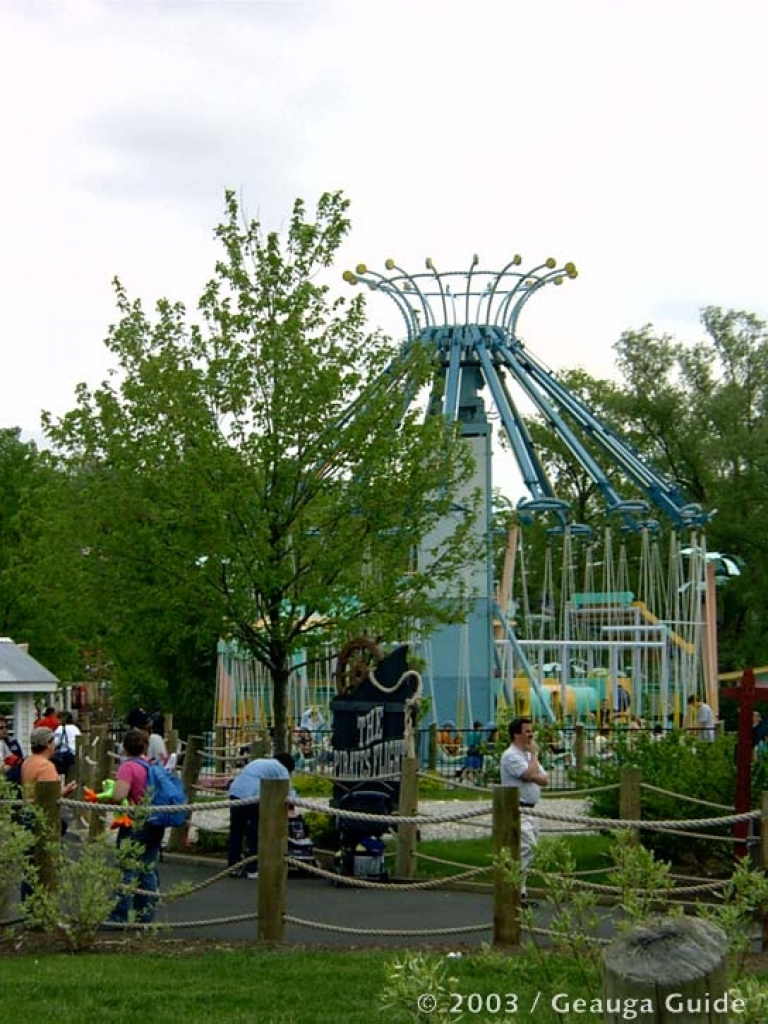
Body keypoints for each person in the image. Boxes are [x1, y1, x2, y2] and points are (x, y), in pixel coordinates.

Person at [108, 728, 165, 923]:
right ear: (145, 747)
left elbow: (119, 795)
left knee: (127, 868)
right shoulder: (153, 765)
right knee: (148, 868)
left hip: (135, 822)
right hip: (155, 821)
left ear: (124, 748)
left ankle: (119, 914)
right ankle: (145, 915)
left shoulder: (128, 767)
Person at [500, 717, 549, 906]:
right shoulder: (511, 756)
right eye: (527, 731)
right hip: (518, 809)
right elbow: (528, 775)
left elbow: (544, 779)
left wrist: (533, 764)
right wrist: (535, 757)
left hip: (532, 811)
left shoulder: (527, 756)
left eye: (531, 731)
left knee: (530, 849)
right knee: (527, 846)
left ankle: (520, 891)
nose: (531, 735)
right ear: (516, 734)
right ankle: (512, 889)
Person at [227, 753, 296, 879]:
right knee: (255, 832)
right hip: (253, 796)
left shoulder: (258, 761)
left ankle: (233, 866)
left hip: (236, 792)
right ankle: (252, 868)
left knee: (236, 831)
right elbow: (289, 790)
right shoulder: (281, 769)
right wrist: (292, 807)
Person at [0, 714, 24, 787]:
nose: (5, 730)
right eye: (1, 728)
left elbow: (17, 759)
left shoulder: (10, 742)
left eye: (6, 727)